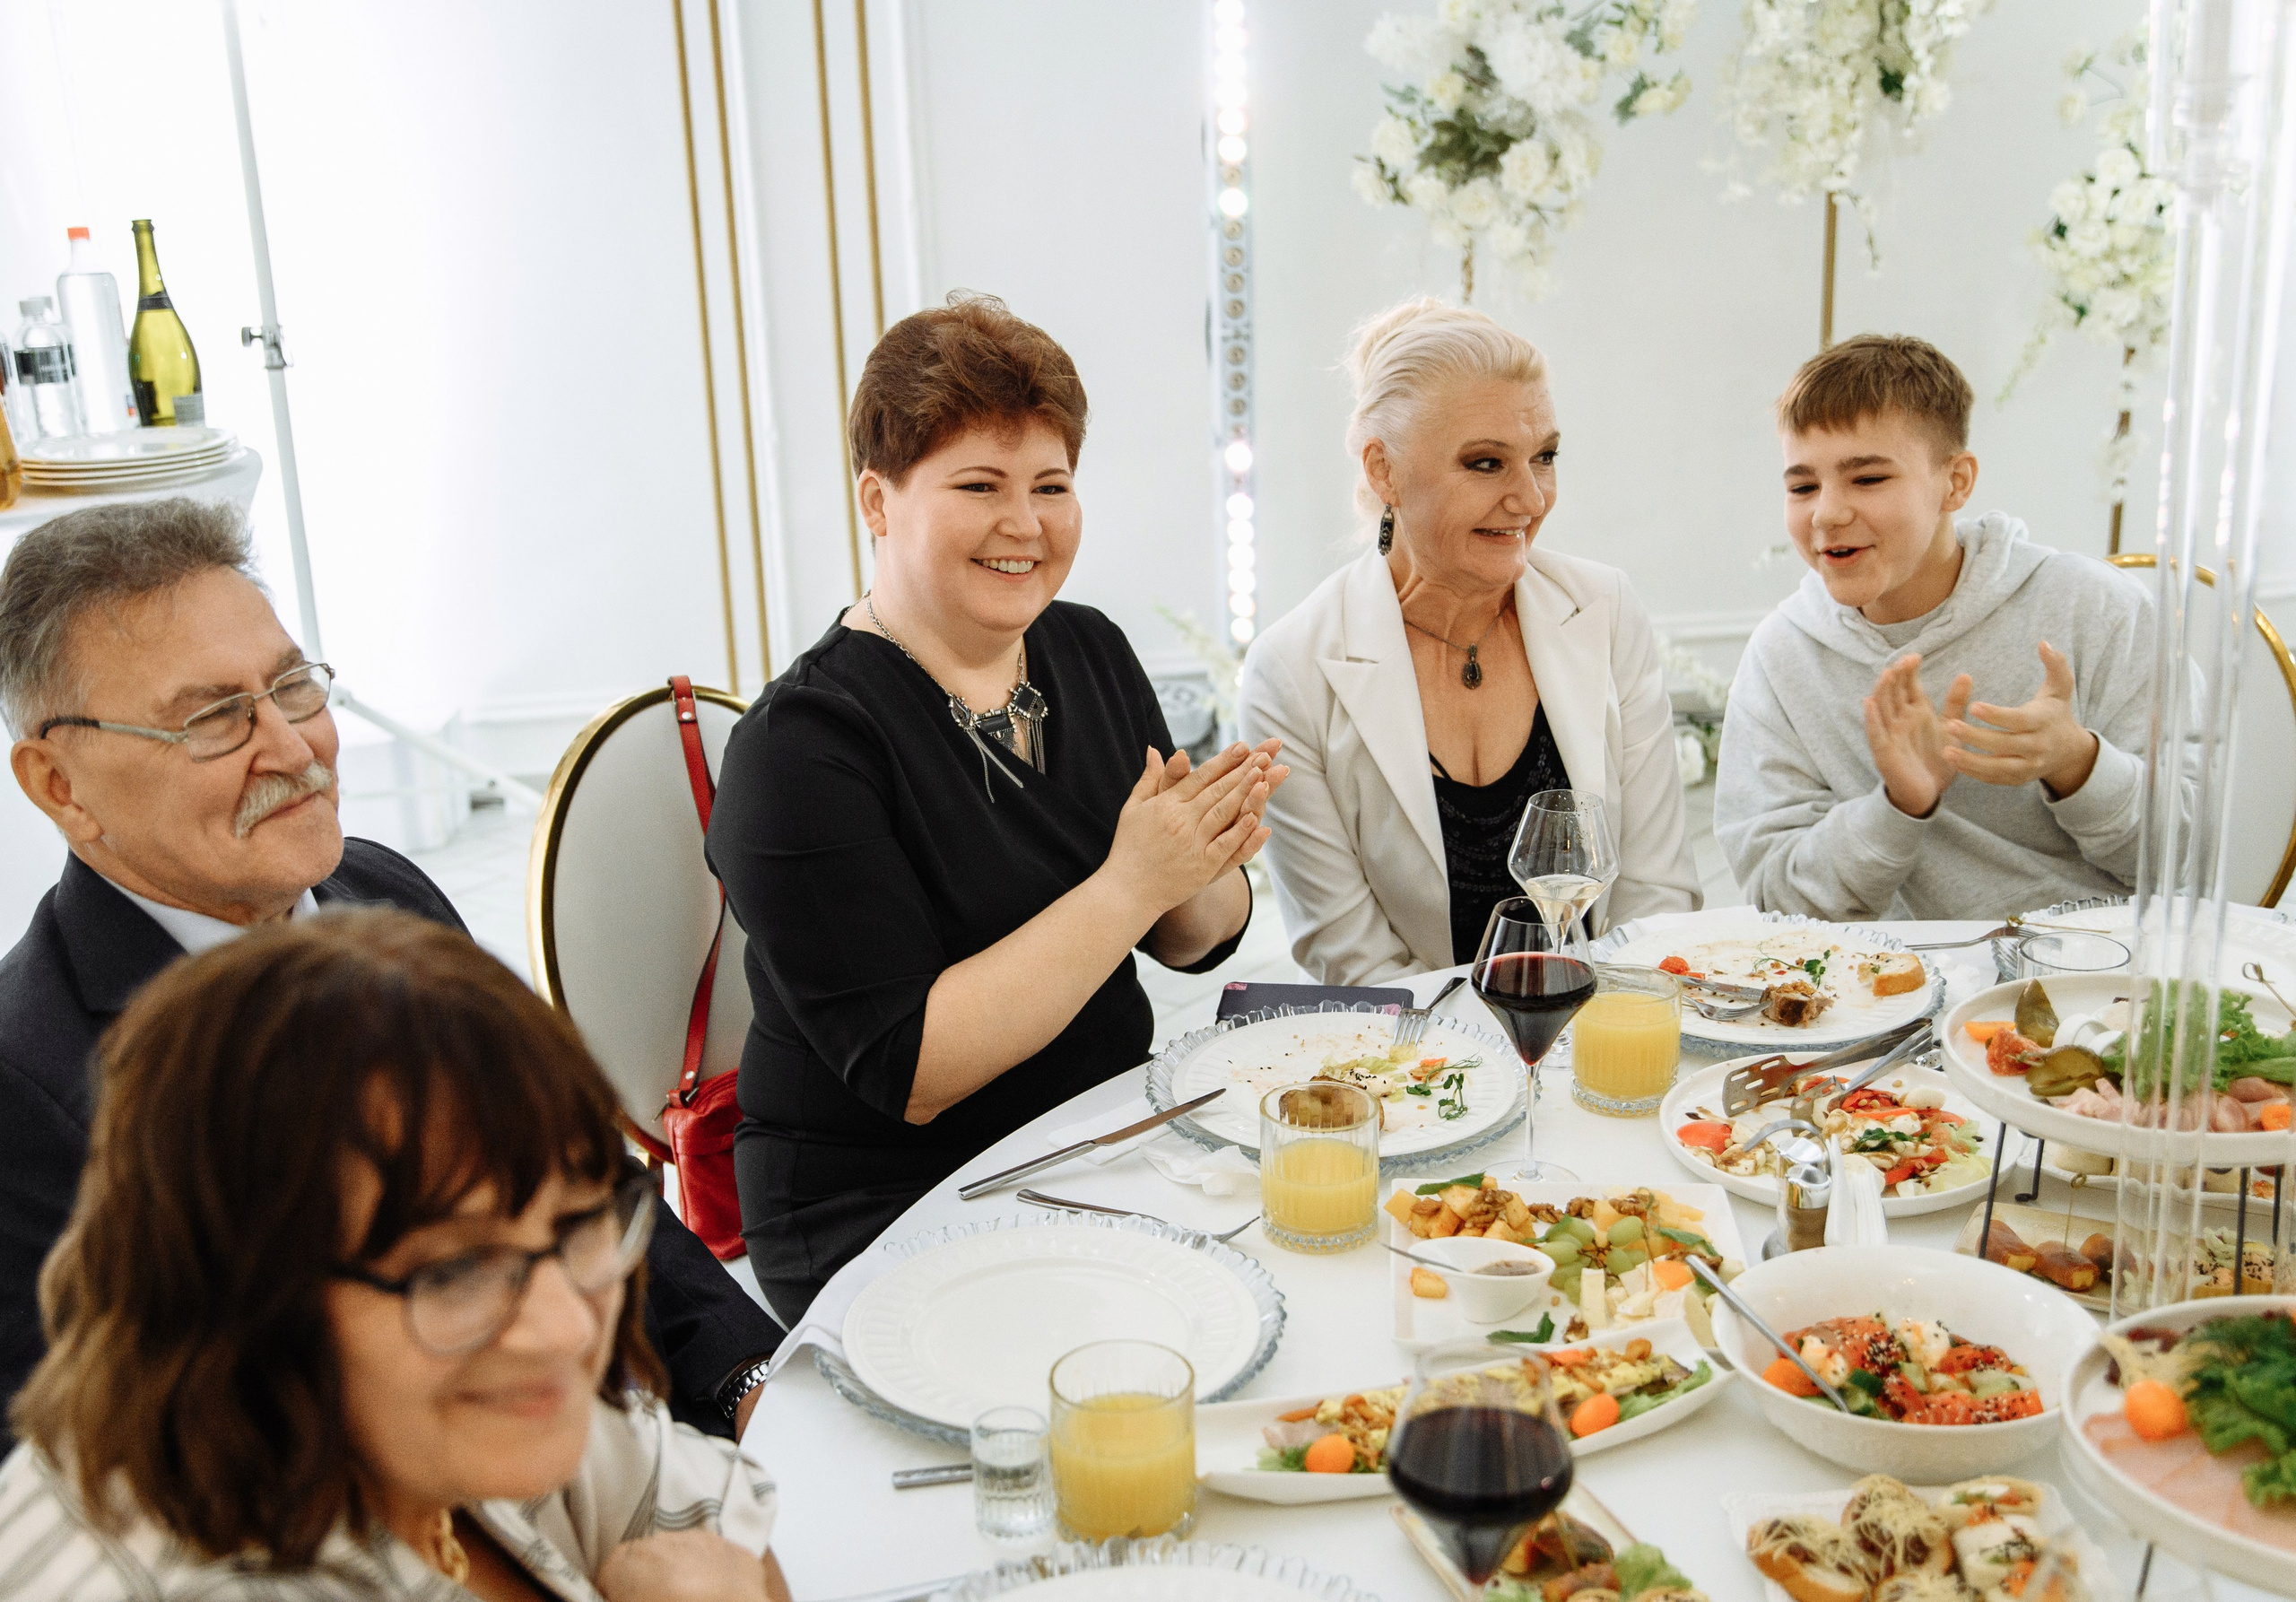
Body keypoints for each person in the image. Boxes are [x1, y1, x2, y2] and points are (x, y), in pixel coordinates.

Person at [0, 499, 780, 1453]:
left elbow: (575, 1168)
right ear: (59, 786)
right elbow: (108, 1464)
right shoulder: (26, 1080)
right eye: (213, 719)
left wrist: (749, 1385)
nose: (293, 750)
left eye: (292, 687)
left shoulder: (379, 889)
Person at [709, 293, 1283, 1323]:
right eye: (980, 485)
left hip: (1097, 1139)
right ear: (877, 501)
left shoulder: (1089, 649)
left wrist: (1203, 859)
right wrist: (1135, 877)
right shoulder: (799, 749)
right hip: (889, 1200)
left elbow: (1192, 941)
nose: (1025, 525)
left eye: (1051, 485)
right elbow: (913, 1068)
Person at [0, 908, 789, 1602]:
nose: (566, 1331)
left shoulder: (439, 1397)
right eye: (455, 1269)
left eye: (577, 1222)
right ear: (240, 1291)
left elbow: (730, 1530)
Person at [1239, 298, 1698, 986]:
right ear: (1382, 469)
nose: (1532, 498)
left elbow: (1657, 899)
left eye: (1544, 457)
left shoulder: (1604, 610)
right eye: (1486, 464)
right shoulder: (1292, 672)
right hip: (1416, 1070)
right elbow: (1355, 962)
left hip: (1609, 1034)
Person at [1715, 335, 2170, 921]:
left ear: (1955, 482)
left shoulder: (2097, 608)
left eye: (1868, 478)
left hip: (2093, 979)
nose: (1826, 512)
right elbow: (1781, 902)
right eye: (1803, 486)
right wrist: (1899, 805)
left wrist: (2076, 763)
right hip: (1886, 1001)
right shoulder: (1782, 657)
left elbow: (2191, 865)